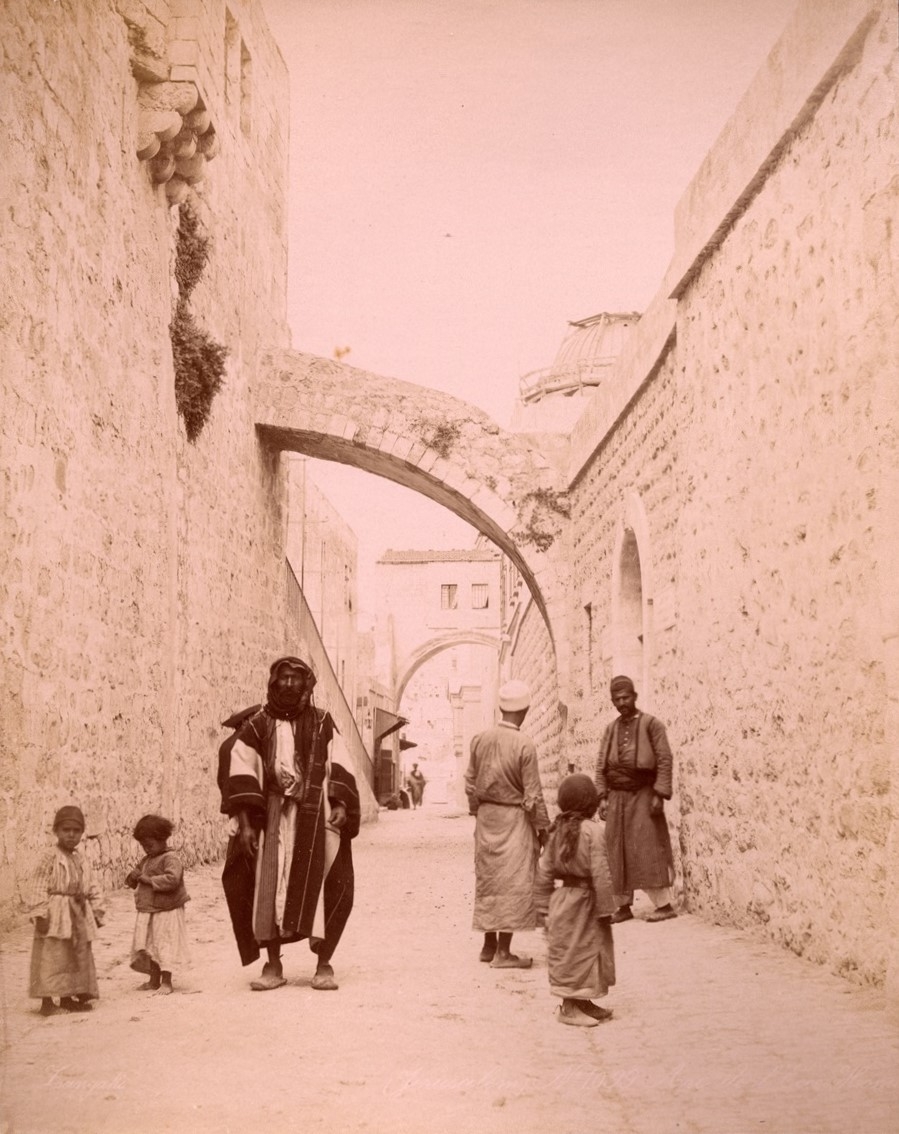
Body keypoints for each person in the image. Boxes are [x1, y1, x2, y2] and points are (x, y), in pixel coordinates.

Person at [220, 655, 361, 991]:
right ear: (272, 682)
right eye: (282, 678)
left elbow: (339, 759)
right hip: (271, 817)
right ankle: (272, 964)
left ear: (307, 684)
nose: (288, 684)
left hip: (315, 813)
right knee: (266, 886)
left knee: (330, 881)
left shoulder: (323, 721)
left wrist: (340, 802)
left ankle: (323, 962)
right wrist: (247, 823)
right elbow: (240, 770)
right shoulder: (257, 726)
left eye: (296, 678)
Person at [465, 678, 550, 968]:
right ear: (524, 711)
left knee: (489, 880)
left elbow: (469, 783)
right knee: (514, 883)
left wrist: (479, 812)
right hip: (514, 821)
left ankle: (487, 946)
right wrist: (543, 830)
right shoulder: (524, 745)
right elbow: (533, 795)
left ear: (501, 708)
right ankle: (503, 952)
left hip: (488, 819)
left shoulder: (479, 739)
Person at [534, 774, 616, 1027]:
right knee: (584, 951)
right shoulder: (593, 832)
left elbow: (544, 870)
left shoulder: (556, 831)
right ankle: (568, 1007)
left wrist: (543, 906)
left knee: (572, 951)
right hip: (586, 902)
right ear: (591, 803)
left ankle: (583, 1001)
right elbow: (601, 872)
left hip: (562, 901)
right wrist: (606, 908)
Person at [594, 675, 677, 923]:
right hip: (617, 796)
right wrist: (602, 796)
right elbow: (601, 765)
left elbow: (664, 758)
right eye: (617, 699)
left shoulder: (652, 725)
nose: (622, 702)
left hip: (644, 794)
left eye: (626, 697)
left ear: (635, 696)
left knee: (647, 847)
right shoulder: (610, 729)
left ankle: (664, 905)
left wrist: (659, 793)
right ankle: (622, 906)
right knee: (615, 849)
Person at [23, 805, 105, 1015]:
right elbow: (38, 884)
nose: (71, 835)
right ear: (56, 831)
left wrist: (96, 910)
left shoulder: (80, 858)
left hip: (77, 913)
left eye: (76, 831)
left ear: (82, 834)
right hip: (55, 913)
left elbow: (91, 885)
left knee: (73, 955)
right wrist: (40, 912)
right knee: (53, 955)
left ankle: (68, 997)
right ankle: (47, 1002)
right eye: (65, 830)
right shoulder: (49, 856)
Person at [125, 814, 191, 995]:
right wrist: (132, 878)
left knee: (164, 944)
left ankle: (167, 981)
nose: (146, 849)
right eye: (143, 845)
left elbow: (173, 879)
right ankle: (153, 980)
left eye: (150, 844)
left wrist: (147, 879)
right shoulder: (147, 860)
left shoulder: (170, 858)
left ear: (162, 839)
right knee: (151, 944)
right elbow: (137, 875)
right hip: (149, 911)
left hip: (167, 910)